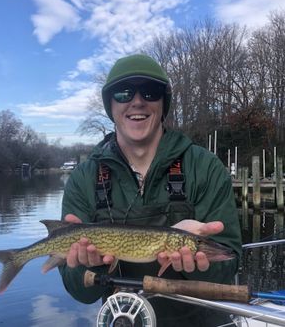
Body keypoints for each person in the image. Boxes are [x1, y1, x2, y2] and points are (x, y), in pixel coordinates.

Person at [59, 54, 242, 326]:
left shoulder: (205, 167)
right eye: (123, 93)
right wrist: (89, 264)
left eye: (150, 91)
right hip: (125, 319)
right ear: (110, 104)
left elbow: (228, 265)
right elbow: (79, 292)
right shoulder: (83, 179)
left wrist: (204, 261)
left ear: (163, 103)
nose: (137, 101)